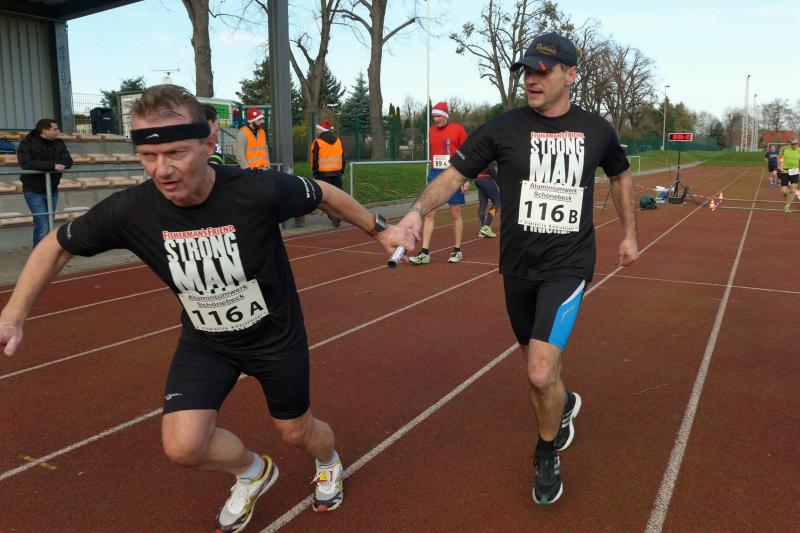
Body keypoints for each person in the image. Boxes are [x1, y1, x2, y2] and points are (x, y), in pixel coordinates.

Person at [0, 85, 415, 532]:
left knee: (296, 432)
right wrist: (13, 315)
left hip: (275, 338)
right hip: (206, 342)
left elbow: (324, 194)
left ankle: (328, 461)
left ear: (209, 142)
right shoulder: (131, 210)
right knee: (183, 446)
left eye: (176, 153)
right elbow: (56, 246)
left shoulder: (256, 190)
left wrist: (379, 230)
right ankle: (253, 472)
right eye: (148, 156)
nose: (162, 169)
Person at [390, 32, 639, 505]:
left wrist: (630, 233)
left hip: (568, 264)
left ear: (570, 74)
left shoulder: (597, 130)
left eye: (542, 71)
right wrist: (417, 212)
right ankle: (565, 403)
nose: (531, 79)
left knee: (540, 372)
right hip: (518, 267)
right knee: (537, 365)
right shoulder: (502, 128)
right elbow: (454, 175)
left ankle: (546, 452)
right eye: (526, 71)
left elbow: (621, 174)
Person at [409, 102, 469, 264]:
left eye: (438, 116)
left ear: (446, 116)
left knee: (455, 213)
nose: (435, 119)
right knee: (429, 213)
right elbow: (434, 153)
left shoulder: (458, 129)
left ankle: (457, 250)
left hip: (454, 174)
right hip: (435, 174)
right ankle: (425, 252)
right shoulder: (431, 131)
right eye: (433, 116)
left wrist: (466, 178)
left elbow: (467, 153)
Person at [16, 119, 73, 247]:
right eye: (55, 129)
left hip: (52, 189)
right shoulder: (27, 143)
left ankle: (45, 252)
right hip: (33, 190)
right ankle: (38, 255)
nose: (58, 131)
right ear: (44, 131)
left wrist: (61, 164)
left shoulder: (59, 143)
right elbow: (27, 164)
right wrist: (53, 166)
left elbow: (68, 160)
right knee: (43, 225)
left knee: (49, 223)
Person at [310, 120, 346, 227]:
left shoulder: (317, 142)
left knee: (325, 198)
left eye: (318, 129)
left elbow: (314, 160)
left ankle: (333, 215)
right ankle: (338, 216)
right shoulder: (338, 141)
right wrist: (342, 170)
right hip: (337, 173)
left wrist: (315, 172)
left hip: (323, 174)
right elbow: (342, 157)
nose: (316, 131)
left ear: (322, 130)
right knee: (337, 196)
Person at [475, 163, 501, 238]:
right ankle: (486, 228)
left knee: (483, 204)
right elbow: (492, 170)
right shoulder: (490, 157)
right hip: (486, 179)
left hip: (478, 179)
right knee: (497, 202)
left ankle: (482, 229)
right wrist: (500, 183)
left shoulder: (480, 157)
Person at [778, 138, 800, 213]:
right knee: (783, 191)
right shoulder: (784, 149)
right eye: (792, 144)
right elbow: (779, 157)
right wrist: (779, 164)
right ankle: (785, 194)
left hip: (795, 171)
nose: (794, 145)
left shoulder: (799, 150)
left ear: (798, 143)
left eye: (795, 144)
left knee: (793, 190)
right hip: (785, 171)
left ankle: (787, 206)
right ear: (790, 144)